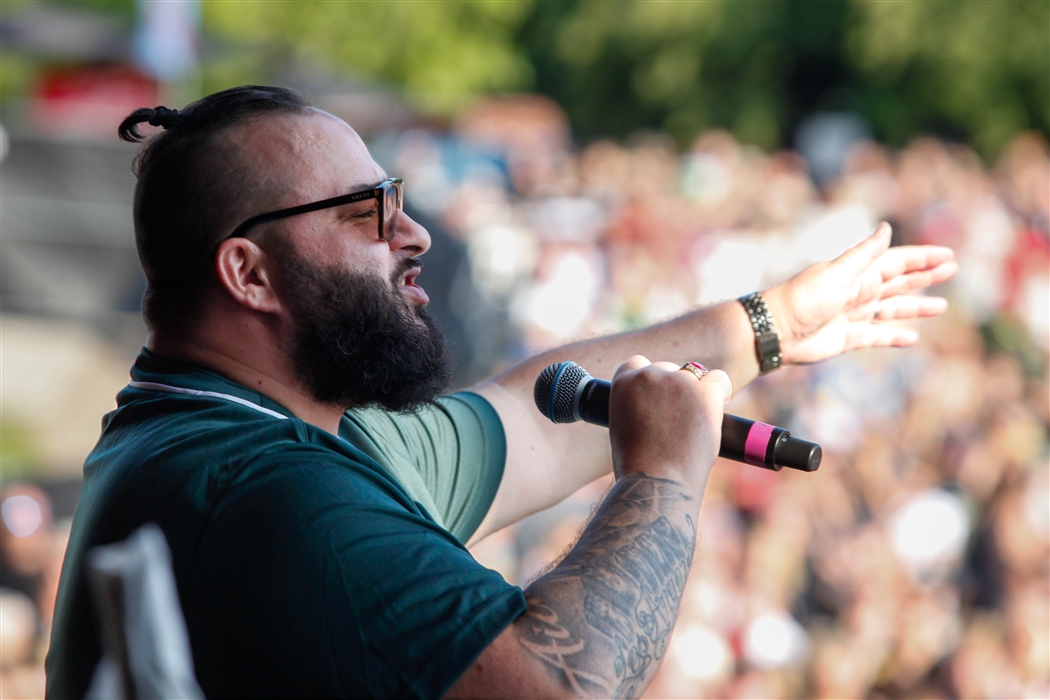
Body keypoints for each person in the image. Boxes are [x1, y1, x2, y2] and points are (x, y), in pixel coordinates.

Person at [46, 86, 957, 699]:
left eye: (395, 196)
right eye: (367, 211)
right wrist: (664, 478)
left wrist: (771, 326)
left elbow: (531, 415)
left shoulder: (240, 432)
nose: (413, 235)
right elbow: (565, 687)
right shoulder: (266, 495)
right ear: (248, 273)